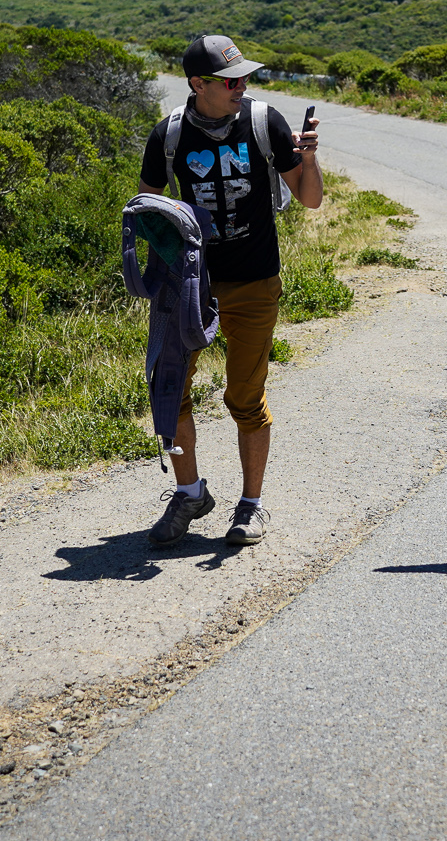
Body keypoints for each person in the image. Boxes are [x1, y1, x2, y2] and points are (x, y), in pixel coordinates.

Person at [138, 34, 321, 547]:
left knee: (245, 398)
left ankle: (251, 506)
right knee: (169, 389)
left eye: (244, 77)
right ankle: (190, 494)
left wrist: (308, 159)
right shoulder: (169, 135)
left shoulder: (264, 122)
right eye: (230, 80)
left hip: (255, 282)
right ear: (198, 84)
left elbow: (309, 200)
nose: (242, 86)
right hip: (190, 286)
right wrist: (170, 259)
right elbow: (148, 207)